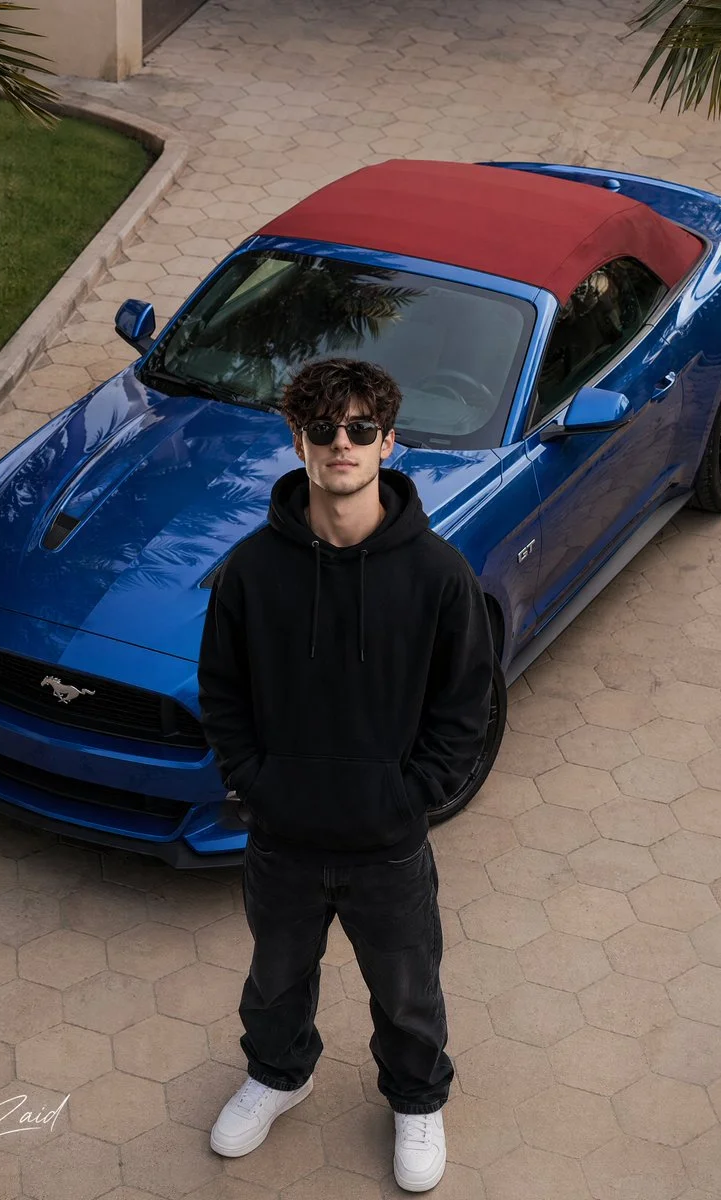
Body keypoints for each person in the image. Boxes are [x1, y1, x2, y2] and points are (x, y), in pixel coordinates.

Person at [197, 357, 493, 1193]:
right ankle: (278, 1077)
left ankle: (414, 1099)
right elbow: (220, 690)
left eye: (361, 429)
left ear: (388, 443)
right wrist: (256, 783)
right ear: (298, 442)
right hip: (281, 838)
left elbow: (464, 703)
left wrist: (411, 797)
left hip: (386, 842)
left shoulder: (437, 575)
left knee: (406, 991)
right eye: (324, 429)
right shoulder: (252, 570)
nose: (342, 445)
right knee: (275, 978)